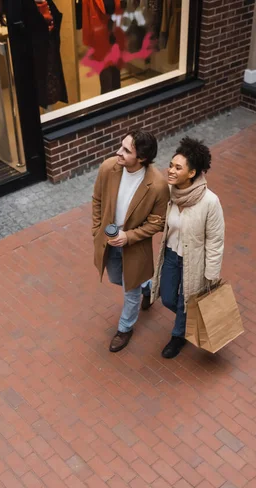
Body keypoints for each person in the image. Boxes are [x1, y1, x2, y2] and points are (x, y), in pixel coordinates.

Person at [92, 130, 169, 352]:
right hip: (108, 240)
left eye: (126, 150)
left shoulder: (157, 186)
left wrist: (129, 237)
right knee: (117, 278)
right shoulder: (109, 168)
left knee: (130, 290)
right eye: (121, 146)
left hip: (134, 247)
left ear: (142, 158)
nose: (119, 152)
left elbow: (158, 223)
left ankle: (125, 328)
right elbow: (97, 199)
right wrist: (97, 230)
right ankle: (149, 286)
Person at [151, 137, 225, 359]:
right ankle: (191, 320)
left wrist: (211, 273)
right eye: (171, 165)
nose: (170, 171)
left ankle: (178, 335)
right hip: (172, 256)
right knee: (168, 299)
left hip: (195, 261)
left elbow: (215, 239)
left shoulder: (209, 201)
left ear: (192, 173)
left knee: (187, 298)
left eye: (177, 168)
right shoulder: (170, 194)